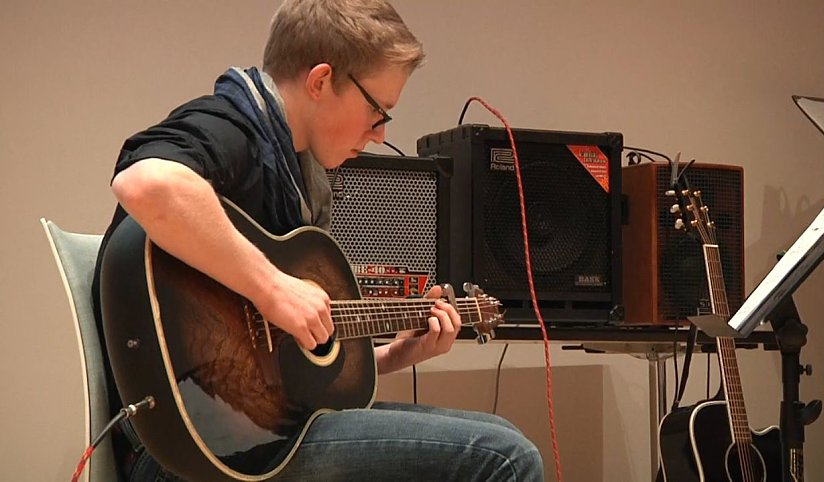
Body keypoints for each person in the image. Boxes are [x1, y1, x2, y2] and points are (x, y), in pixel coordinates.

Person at [92, 0, 544, 480]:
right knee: (504, 458)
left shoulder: (304, 180)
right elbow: (148, 183)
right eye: (378, 111)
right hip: (182, 455)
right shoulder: (232, 126)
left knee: (504, 436)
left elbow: (291, 373)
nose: (379, 134)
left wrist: (397, 355)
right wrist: (272, 287)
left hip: (258, 435)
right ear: (321, 81)